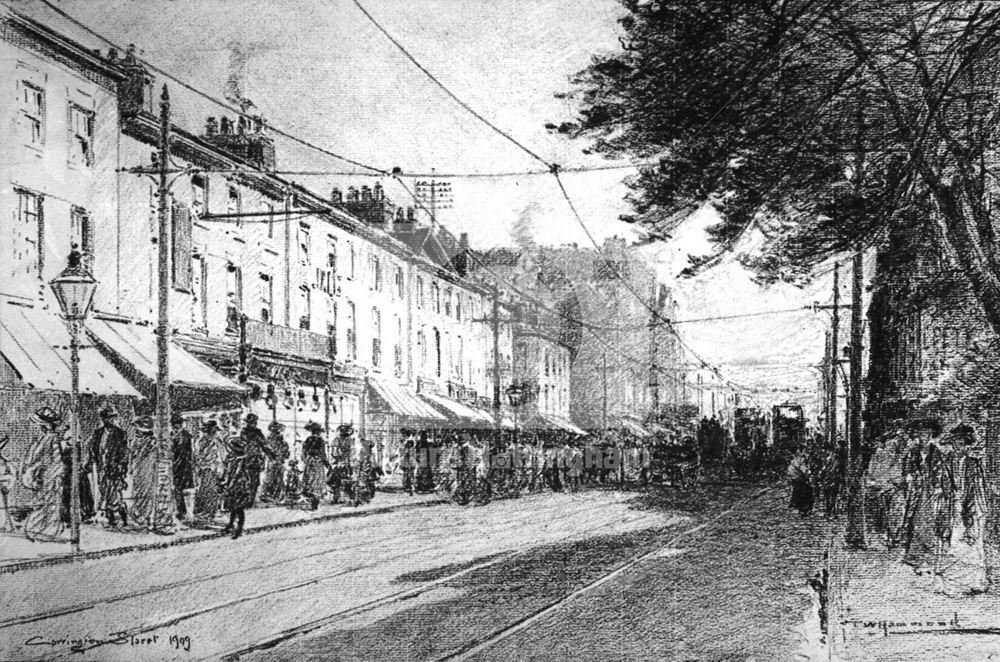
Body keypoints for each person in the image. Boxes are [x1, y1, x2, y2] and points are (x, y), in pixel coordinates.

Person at [903, 418, 944, 573]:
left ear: (931, 434)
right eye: (921, 433)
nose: (923, 436)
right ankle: (914, 554)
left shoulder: (936, 451)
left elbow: (940, 470)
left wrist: (938, 485)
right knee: (915, 519)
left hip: (931, 489)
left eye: (926, 433)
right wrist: (909, 475)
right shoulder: (913, 451)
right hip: (916, 490)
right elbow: (908, 467)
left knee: (929, 519)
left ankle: (929, 554)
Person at [22, 407, 68, 541]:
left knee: (49, 503)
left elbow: (57, 460)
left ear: (47, 425)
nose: (38, 426)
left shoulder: (52, 439)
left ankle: (46, 530)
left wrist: (53, 477)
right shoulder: (42, 439)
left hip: (50, 477)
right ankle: (39, 529)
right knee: (42, 503)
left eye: (40, 423)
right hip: (42, 476)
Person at [92, 406, 130, 528]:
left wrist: (122, 467)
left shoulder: (119, 433)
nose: (109, 420)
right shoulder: (98, 433)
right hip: (102, 467)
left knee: (115, 492)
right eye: (107, 418)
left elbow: (124, 452)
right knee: (104, 490)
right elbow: (94, 449)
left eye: (111, 418)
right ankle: (110, 516)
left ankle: (121, 513)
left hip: (114, 467)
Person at [221, 434, 253, 539]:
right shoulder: (231, 458)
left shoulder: (241, 460)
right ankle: (231, 524)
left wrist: (229, 484)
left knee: (238, 507)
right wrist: (224, 480)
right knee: (232, 506)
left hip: (240, 484)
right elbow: (227, 470)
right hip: (232, 483)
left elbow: (237, 473)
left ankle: (239, 528)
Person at [193, 419, 225, 519]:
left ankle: (211, 511)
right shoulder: (202, 441)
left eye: (214, 431)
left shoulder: (217, 441)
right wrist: (200, 465)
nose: (214, 433)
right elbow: (197, 455)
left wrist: (220, 468)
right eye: (212, 431)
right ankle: (206, 511)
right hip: (205, 468)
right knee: (205, 490)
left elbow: (221, 455)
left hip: (214, 469)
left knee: (212, 491)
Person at [240, 413, 272, 506]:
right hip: (246, 458)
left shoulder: (258, 432)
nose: (252, 424)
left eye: (254, 422)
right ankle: (246, 499)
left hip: (256, 459)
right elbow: (242, 443)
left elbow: (264, 444)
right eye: (250, 422)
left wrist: (269, 454)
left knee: (255, 481)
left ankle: (250, 499)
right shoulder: (244, 431)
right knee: (246, 480)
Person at [170, 414, 195, 520]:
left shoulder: (186, 436)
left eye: (177, 426)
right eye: (174, 426)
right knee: (177, 489)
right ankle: (181, 511)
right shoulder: (173, 435)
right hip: (176, 466)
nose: (175, 428)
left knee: (186, 490)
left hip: (184, 466)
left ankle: (187, 512)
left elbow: (188, 452)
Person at [301, 421, 330, 510]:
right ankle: (314, 503)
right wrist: (327, 464)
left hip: (309, 462)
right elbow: (322, 454)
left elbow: (303, 453)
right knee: (317, 481)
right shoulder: (320, 440)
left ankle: (311, 502)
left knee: (310, 481)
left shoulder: (307, 440)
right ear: (318, 431)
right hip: (317, 461)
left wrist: (306, 461)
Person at [261, 421, 289, 502]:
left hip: (277, 460)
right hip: (274, 460)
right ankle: (272, 494)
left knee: (276, 477)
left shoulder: (276, 439)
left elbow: (285, 450)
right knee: (273, 477)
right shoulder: (270, 438)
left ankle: (274, 495)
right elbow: (267, 449)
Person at [787, 447, 814, 517]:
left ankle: (802, 509)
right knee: (804, 494)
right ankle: (803, 510)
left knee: (800, 493)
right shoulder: (797, 460)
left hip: (797, 479)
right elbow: (803, 470)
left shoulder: (796, 460)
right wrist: (809, 474)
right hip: (800, 480)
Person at [399, 429, 417, 496]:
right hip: (408, 461)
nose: (402, 436)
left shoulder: (409, 441)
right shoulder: (407, 441)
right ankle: (410, 489)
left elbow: (406, 452)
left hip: (408, 461)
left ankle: (409, 490)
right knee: (408, 475)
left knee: (407, 476)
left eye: (403, 434)